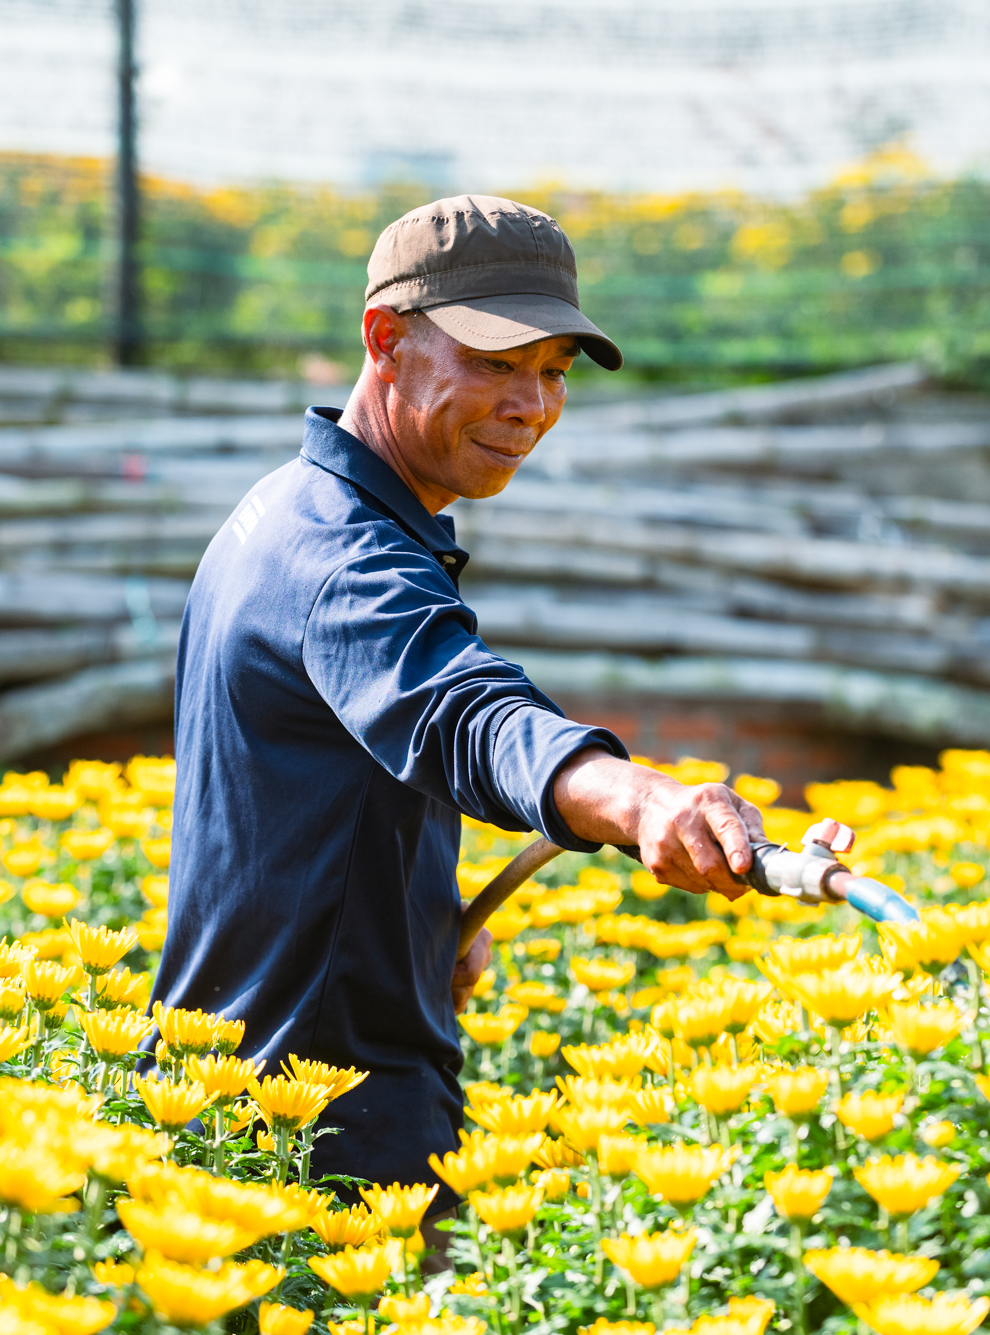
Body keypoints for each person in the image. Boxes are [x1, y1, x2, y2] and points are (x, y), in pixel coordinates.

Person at [150, 195, 771, 1204]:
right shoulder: (345, 561)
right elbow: (467, 716)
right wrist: (643, 800)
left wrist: (400, 918)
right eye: (494, 363)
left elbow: (302, 776)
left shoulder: (284, 508)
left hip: (239, 1093)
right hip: (319, 1132)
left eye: (552, 372)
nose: (530, 405)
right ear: (385, 343)